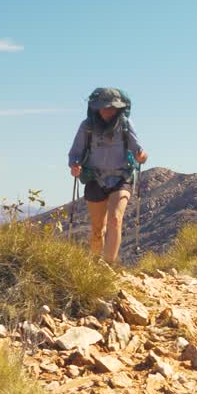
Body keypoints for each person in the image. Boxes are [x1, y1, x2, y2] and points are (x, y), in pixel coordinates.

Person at [68, 87, 147, 264]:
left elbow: (138, 150)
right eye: (103, 107)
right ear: (95, 108)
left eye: (112, 108)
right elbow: (75, 153)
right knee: (98, 229)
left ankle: (108, 267)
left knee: (115, 220)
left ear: (119, 108)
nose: (107, 111)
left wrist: (141, 156)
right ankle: (96, 263)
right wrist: (75, 165)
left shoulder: (126, 124)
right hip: (94, 179)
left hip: (121, 178)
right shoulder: (86, 127)